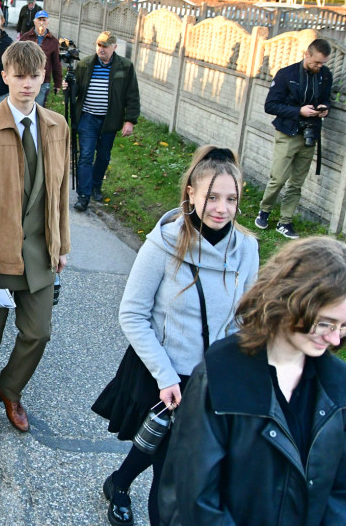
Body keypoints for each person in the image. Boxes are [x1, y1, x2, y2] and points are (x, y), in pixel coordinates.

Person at [158, 236, 346, 526]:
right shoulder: (219, 379)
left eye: (345, 326)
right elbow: (197, 500)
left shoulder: (339, 391)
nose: (336, 338)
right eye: (325, 323)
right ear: (288, 301)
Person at [94, 146, 259, 526]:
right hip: (163, 372)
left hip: (212, 379)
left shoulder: (248, 249)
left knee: (164, 451)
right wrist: (166, 376)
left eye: (231, 199)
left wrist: (237, 369)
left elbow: (244, 318)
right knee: (168, 467)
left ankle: (118, 482)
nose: (222, 208)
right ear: (190, 193)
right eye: (212, 197)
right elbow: (132, 314)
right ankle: (129, 494)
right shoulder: (164, 243)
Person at [0, 41, 71, 445]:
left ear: (44, 77)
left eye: (35, 76)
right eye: (19, 76)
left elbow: (60, 194)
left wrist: (61, 246)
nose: (28, 85)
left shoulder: (58, 126)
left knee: (38, 333)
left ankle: (10, 389)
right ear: (5, 76)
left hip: (40, 254)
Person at [254, 39, 333, 240]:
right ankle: (265, 210)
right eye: (316, 62)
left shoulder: (325, 76)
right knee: (278, 178)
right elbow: (270, 106)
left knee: (297, 182)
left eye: (322, 63)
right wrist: (299, 111)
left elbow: (326, 98)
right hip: (288, 133)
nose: (319, 67)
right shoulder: (286, 74)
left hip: (310, 133)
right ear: (306, 54)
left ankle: (285, 221)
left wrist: (324, 109)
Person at [71, 31, 140, 211]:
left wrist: (129, 120)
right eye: (99, 45)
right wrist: (68, 86)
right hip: (87, 118)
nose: (102, 49)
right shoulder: (85, 64)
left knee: (103, 156)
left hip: (109, 120)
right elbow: (74, 91)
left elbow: (132, 95)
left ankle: (95, 185)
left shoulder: (125, 67)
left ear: (115, 47)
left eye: (106, 46)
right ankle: (83, 195)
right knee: (86, 155)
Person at [19, 11, 61, 105]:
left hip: (43, 81)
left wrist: (57, 83)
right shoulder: (25, 38)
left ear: (48, 22)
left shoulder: (53, 41)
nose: (41, 22)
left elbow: (56, 63)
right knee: (24, 105)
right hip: (26, 78)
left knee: (38, 108)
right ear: (34, 22)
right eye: (39, 20)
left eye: (44, 20)